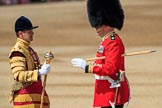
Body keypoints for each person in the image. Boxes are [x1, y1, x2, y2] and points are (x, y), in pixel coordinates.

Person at [71, 0, 130, 108]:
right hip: (106, 90)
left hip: (112, 91)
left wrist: (87, 67)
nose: (97, 29)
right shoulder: (106, 41)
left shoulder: (113, 42)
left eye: (99, 25)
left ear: (108, 24)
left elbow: (111, 68)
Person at [8, 16, 50, 108]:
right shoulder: (18, 51)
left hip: (33, 96)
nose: (32, 33)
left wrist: (43, 67)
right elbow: (19, 75)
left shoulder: (27, 49)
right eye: (29, 31)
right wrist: (39, 72)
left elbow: (32, 68)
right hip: (26, 98)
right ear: (20, 34)